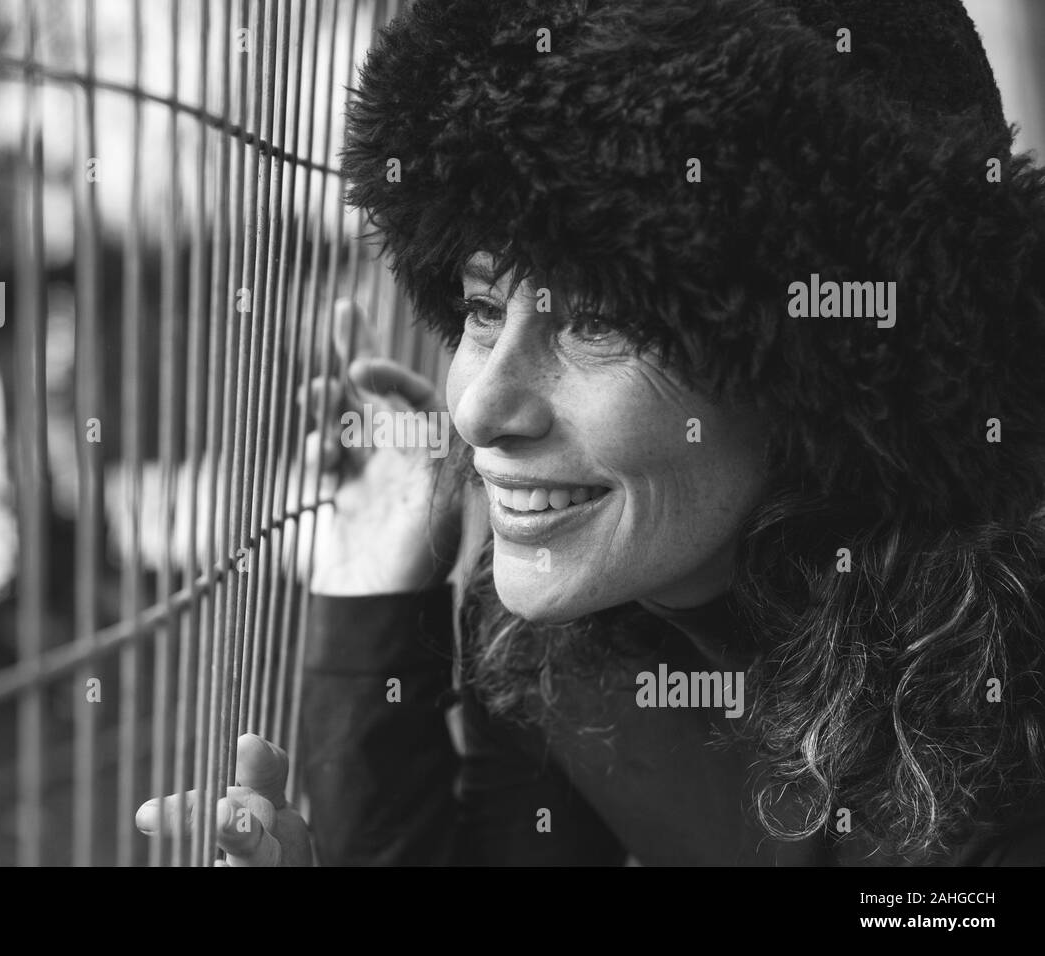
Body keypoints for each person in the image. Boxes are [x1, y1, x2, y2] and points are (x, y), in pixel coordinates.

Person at [135, 0, 1045, 865]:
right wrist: (368, 600)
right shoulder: (557, 617)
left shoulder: (1011, 718)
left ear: (824, 368)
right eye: (484, 308)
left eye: (602, 320)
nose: (479, 409)